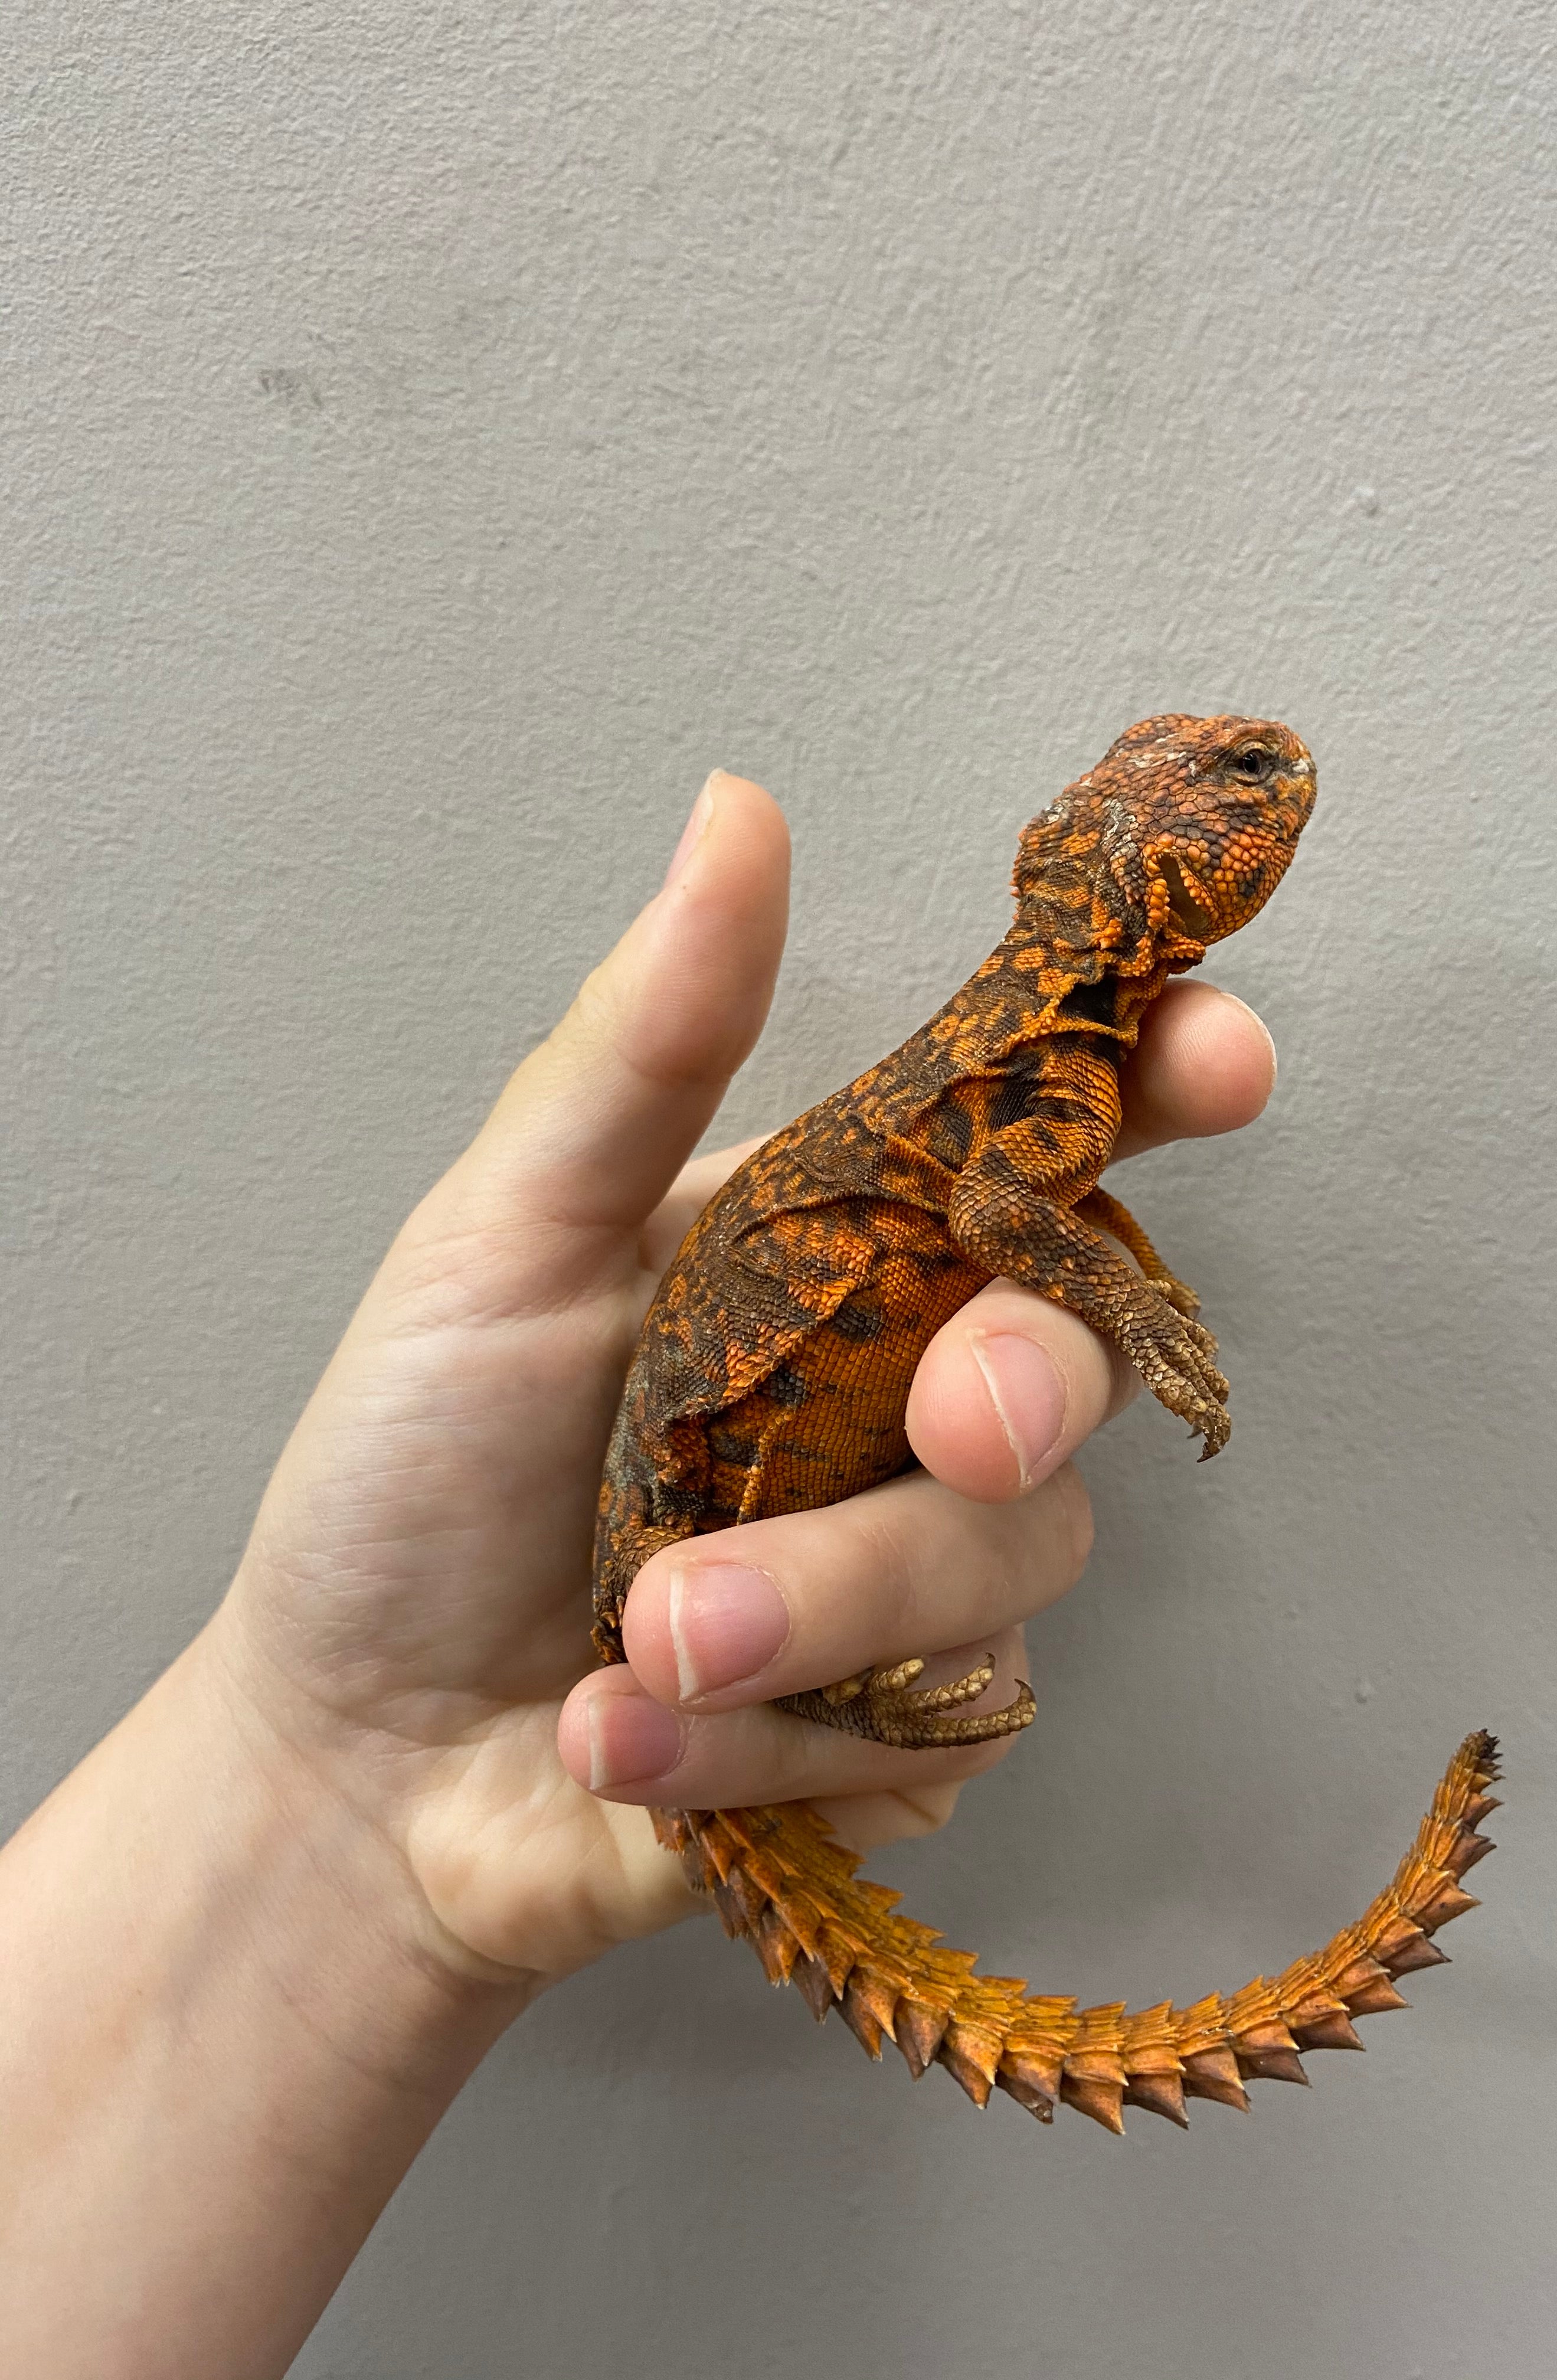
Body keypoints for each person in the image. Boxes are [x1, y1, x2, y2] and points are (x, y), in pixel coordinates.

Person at [0, 773, 1278, 2377]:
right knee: (742, 1638)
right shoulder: (1037, 1073)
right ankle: (824, 1684)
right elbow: (1006, 1202)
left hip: (678, 1535)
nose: (1269, 779)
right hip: (675, 1510)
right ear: (1154, 890)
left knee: (779, 1603)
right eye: (1231, 787)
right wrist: (1139, 1313)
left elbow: (1019, 1199)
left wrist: (339, 1799)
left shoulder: (1052, 1061)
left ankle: (812, 1681)